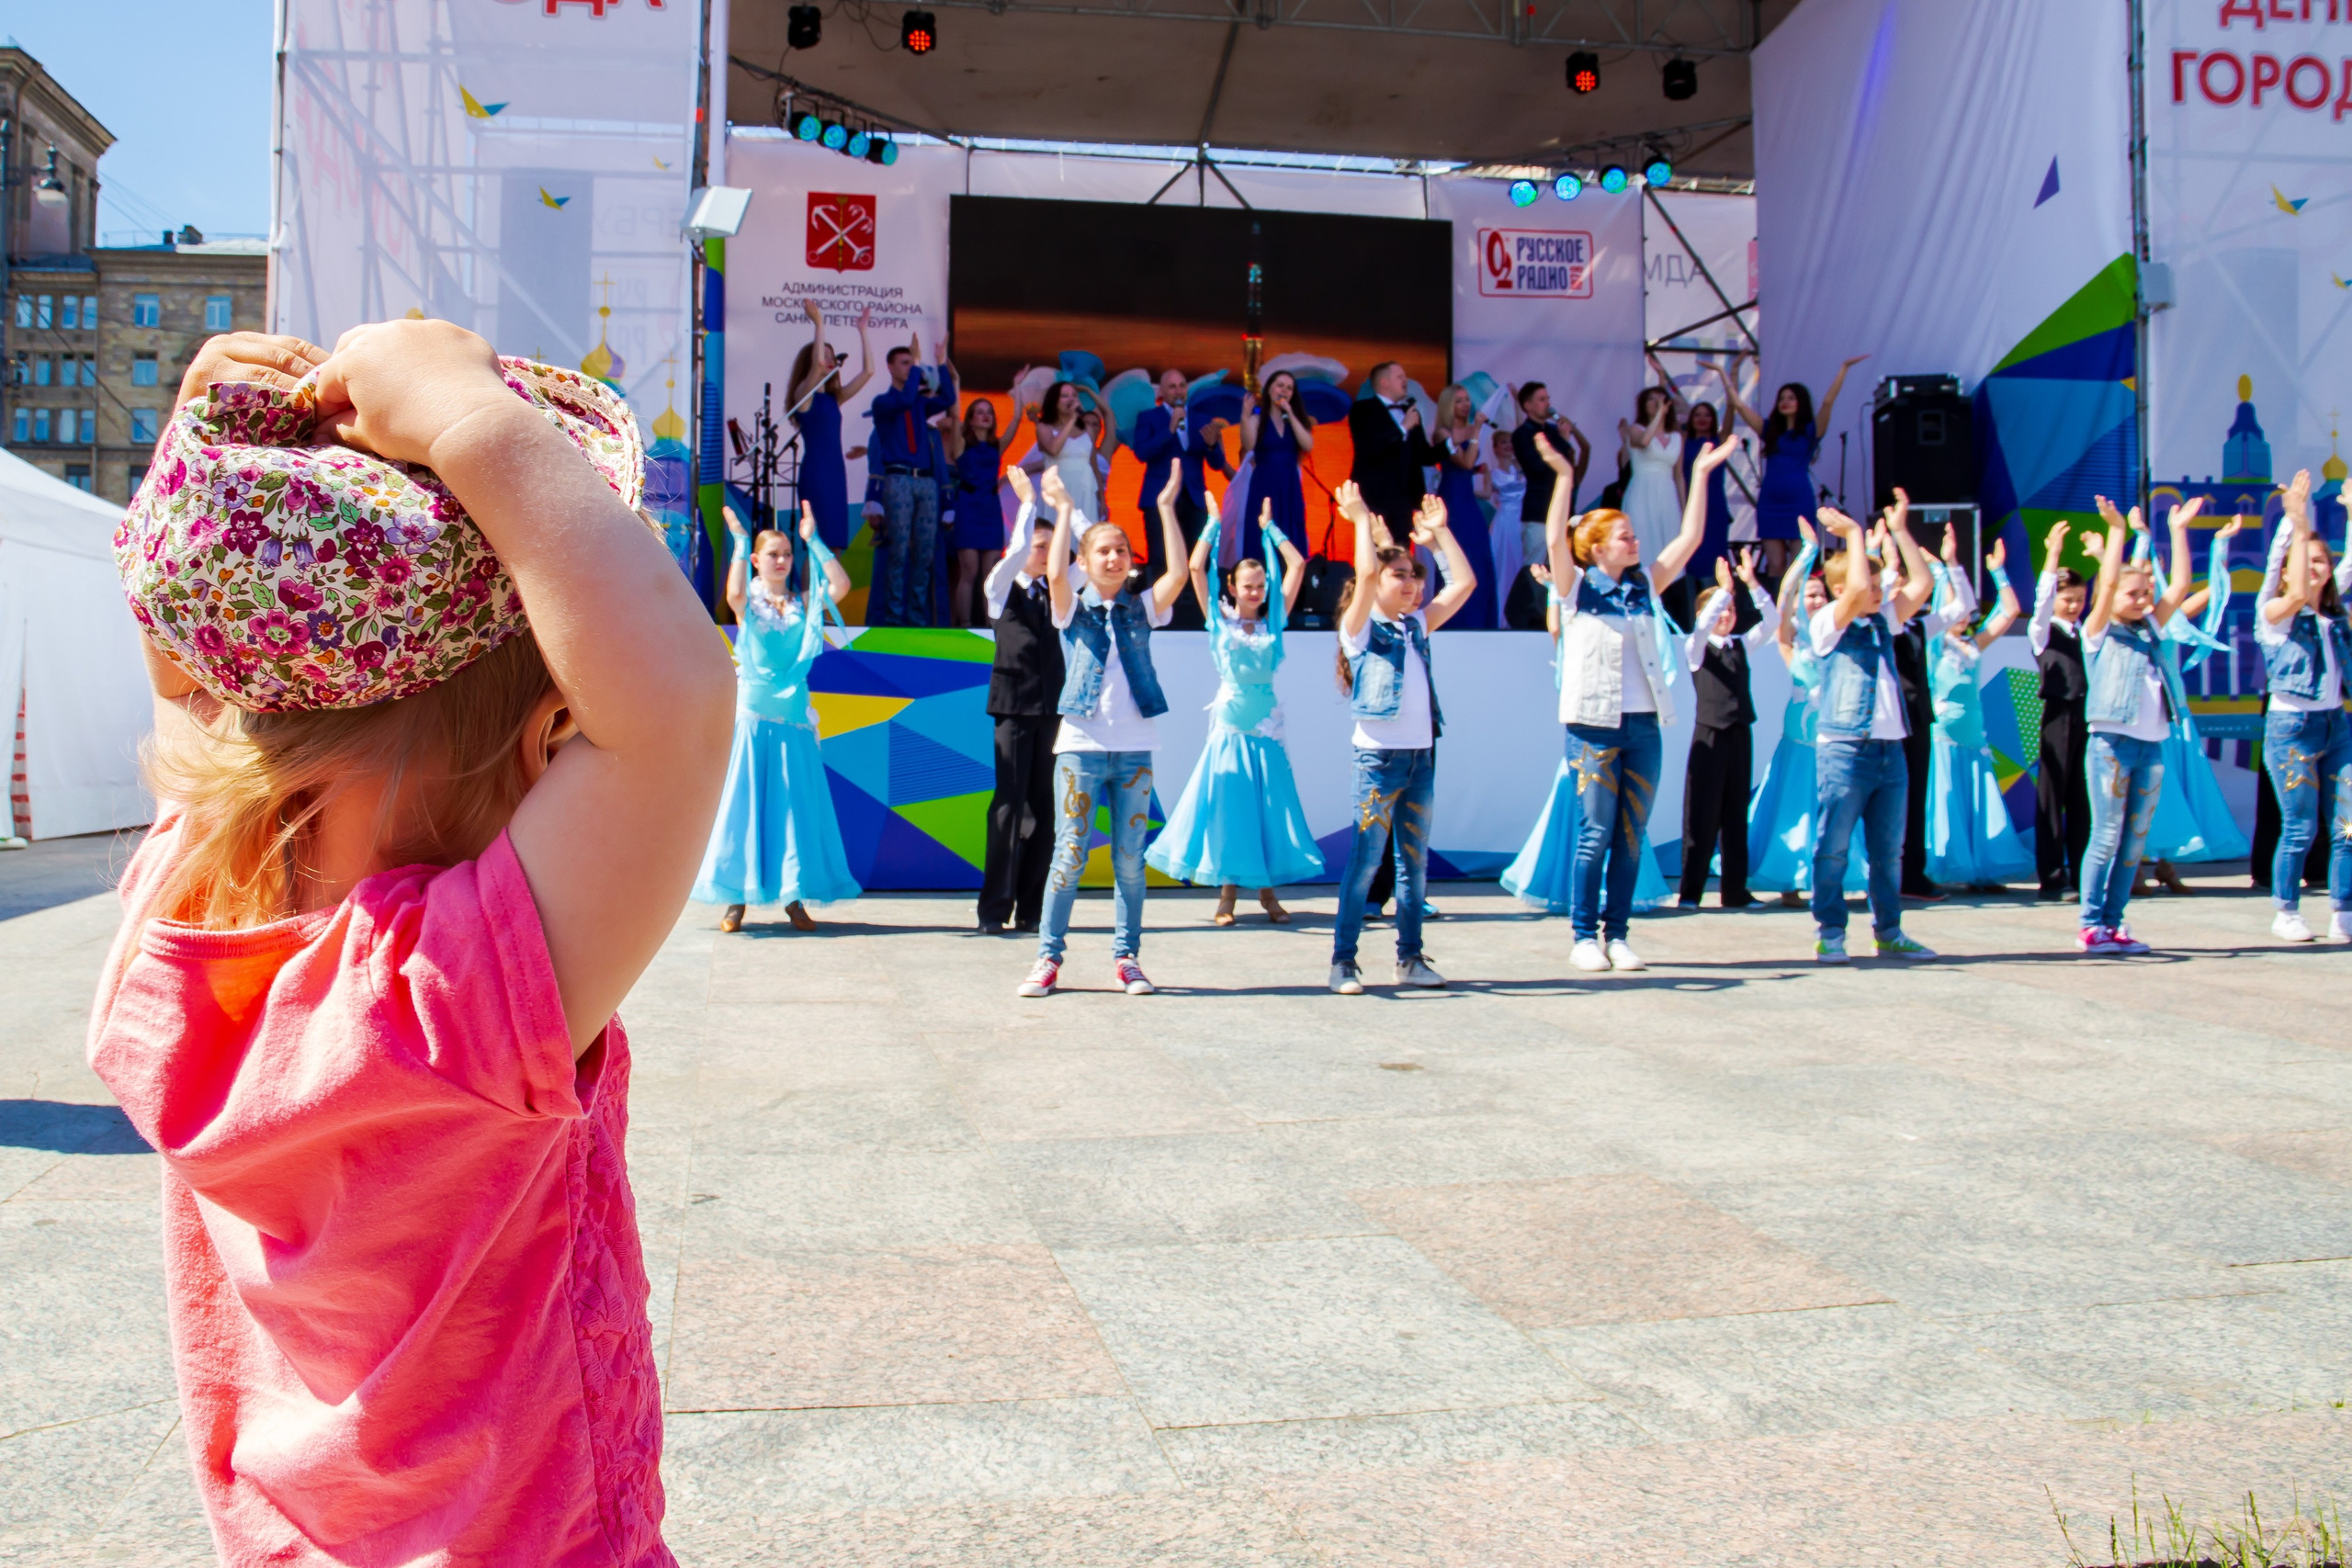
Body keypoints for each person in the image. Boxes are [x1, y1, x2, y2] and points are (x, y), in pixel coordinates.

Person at [94, 323, 736, 1561]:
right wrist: (468, 424)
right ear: (539, 729)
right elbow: (678, 705)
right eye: (559, 724)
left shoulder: (170, 935)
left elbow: (183, 680)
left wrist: (205, 446)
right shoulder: (450, 996)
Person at [1530, 428, 1736, 972]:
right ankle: (1582, 936)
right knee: (1594, 833)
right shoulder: (1576, 587)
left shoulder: (1644, 584)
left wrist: (1699, 475)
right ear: (1597, 548)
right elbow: (1555, 539)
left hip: (1645, 726)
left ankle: (1617, 935)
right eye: (1624, 535)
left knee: (1630, 835)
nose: (1634, 540)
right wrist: (1565, 477)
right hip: (1592, 726)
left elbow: (1689, 538)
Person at [1018, 468, 1189, 998]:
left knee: (1130, 861)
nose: (1114, 558)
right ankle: (1047, 958)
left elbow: (1180, 573)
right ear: (1086, 562)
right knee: (1068, 855)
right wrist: (1065, 509)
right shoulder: (1072, 607)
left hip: (1135, 749)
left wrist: (1165, 508)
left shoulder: (1144, 608)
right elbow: (1055, 572)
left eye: (1122, 551)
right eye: (1103, 552)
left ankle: (1127, 958)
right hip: (1080, 750)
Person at [1329, 481, 1476, 994]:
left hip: (1421, 757)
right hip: (1377, 759)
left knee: (1413, 865)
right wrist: (1358, 520)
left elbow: (1463, 583)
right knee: (1366, 862)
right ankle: (1344, 962)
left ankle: (1409, 959)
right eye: (1402, 576)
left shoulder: (1416, 626)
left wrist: (1438, 538)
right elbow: (1366, 571)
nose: (1413, 585)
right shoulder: (1361, 628)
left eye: (1415, 577)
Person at [1147, 498, 1322, 924]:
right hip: (1230, 727)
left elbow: (1297, 566)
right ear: (1232, 587)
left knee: (1266, 809)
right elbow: (1192, 569)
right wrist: (1212, 524)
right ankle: (1226, 897)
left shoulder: (1274, 622)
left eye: (1261, 585)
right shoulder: (1218, 623)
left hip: (1267, 728)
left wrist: (1270, 528)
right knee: (1231, 808)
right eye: (1248, 585)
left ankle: (1267, 895)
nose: (1255, 591)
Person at [1499, 563, 1674, 919]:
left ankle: (1615, 926)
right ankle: (1583, 927)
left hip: (1633, 725)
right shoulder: (1574, 603)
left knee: (1623, 831)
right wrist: (1554, 588)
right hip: (1589, 728)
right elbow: (1555, 629)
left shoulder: (1630, 600)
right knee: (1592, 829)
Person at [1806, 500, 1939, 963]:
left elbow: (1923, 583)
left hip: (1889, 750)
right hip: (1845, 749)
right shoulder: (1827, 623)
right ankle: (1831, 930)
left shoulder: (1884, 619)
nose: (1879, 592)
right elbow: (1860, 584)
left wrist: (1901, 532)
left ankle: (1889, 929)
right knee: (1834, 848)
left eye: (1882, 586)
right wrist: (1856, 537)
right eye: (1873, 586)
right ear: (1840, 590)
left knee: (1888, 851)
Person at [2073, 493, 2199, 953]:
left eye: (2147, 592)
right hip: (2111, 742)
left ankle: (2114, 922)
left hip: (2152, 745)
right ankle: (2090, 925)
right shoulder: (2100, 631)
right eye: (2136, 593)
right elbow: (2106, 588)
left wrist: (2178, 529)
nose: (2144, 599)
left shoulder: (2152, 629)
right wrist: (2116, 533)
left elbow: (2180, 584)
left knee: (2134, 843)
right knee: (2105, 837)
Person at [2129, 509, 2250, 891]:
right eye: (2145, 573)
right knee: (2147, 791)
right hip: (2144, 714)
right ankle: (2132, 869)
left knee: (2173, 790)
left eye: (2155, 572)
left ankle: (2165, 865)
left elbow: (2214, 589)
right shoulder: (2134, 619)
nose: (2151, 579)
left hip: (2175, 714)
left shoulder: (2170, 614)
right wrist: (2141, 537)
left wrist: (2220, 547)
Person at [2256, 468, 2352, 942]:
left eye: (2321, 561)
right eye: (2307, 561)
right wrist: (2294, 521)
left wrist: (2351, 514)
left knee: (2349, 825)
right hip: (2292, 728)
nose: (2316, 569)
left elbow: (2348, 565)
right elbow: (2289, 587)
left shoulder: (2334, 615)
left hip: (2337, 725)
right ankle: (2286, 909)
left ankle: (2343, 911)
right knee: (2299, 826)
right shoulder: (2274, 617)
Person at [1746, 522, 1863, 907]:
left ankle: (1834, 877)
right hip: (1798, 744)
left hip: (1834, 741)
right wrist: (1806, 555)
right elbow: (1785, 599)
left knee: (1834, 812)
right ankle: (1791, 879)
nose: (1813, 600)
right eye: (1809, 595)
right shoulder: (1791, 644)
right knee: (1794, 813)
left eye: (1819, 594)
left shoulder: (1838, 637)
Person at [978, 474, 1066, 935]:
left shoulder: (1062, 594)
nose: (1045, 553)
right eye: (1039, 545)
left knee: (1045, 810)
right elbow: (1013, 557)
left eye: (1053, 547)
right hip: (1012, 707)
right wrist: (1029, 505)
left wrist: (1064, 506)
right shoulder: (1001, 587)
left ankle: (1033, 910)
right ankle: (994, 910)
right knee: (1008, 807)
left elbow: (1089, 557)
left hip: (1052, 710)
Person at [1921, 532, 2032, 891]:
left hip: (1973, 737)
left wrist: (1998, 573)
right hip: (1945, 740)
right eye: (1952, 606)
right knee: (1948, 805)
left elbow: (2011, 611)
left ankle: (1982, 870)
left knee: (1978, 805)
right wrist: (1944, 571)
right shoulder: (1933, 645)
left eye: (1964, 607)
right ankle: (1943, 869)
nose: (1961, 612)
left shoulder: (1973, 644)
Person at [1679, 550, 1777, 908]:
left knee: (1736, 814)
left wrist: (1750, 583)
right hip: (1709, 734)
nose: (1726, 616)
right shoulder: (1696, 647)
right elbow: (1702, 626)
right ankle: (1690, 893)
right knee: (1701, 814)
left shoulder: (1741, 645)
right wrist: (1723, 590)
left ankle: (1735, 891)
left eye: (1731, 610)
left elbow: (1772, 620)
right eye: (1720, 610)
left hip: (1739, 734)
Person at [1714, 355, 1865, 579]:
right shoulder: (1769, 430)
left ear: (1800, 403)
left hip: (1799, 502)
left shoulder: (1811, 431)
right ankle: (1777, 611)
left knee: (1801, 564)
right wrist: (1727, 372)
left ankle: (1798, 609)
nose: (1785, 402)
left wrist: (1843, 368)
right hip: (1770, 504)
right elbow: (1738, 404)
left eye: (1791, 398)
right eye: (1782, 398)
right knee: (1775, 566)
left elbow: (1827, 403)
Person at [867, 334, 957, 626]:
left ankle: (918, 618)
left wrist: (941, 363)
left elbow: (948, 399)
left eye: (911, 363)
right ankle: (894, 617)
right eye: (904, 363)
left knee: (924, 552)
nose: (910, 368)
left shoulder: (919, 403)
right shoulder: (883, 402)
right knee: (899, 551)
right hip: (899, 479)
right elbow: (905, 399)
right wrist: (919, 363)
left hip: (926, 482)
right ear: (890, 367)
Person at [2029, 525, 2094, 901]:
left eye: (2080, 599)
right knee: (2052, 796)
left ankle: (2083, 874)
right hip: (2058, 715)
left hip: (2087, 714)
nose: (2074, 605)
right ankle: (2052, 877)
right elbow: (2041, 601)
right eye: (2068, 599)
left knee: (2082, 797)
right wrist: (2053, 556)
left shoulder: (2086, 631)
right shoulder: (2043, 631)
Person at [1129, 367, 1232, 598]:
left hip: (1194, 497)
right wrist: (1169, 429)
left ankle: (1198, 610)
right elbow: (1142, 453)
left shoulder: (1202, 419)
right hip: (1159, 498)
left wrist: (1213, 445)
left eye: (1182, 385)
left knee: (1199, 555)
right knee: (1160, 556)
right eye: (1172, 386)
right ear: (1162, 392)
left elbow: (1217, 463)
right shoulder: (1149, 417)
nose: (1178, 391)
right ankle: (1161, 611)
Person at [788, 300, 874, 553]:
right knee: (817, 546)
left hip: (836, 473)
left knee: (834, 547)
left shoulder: (833, 398)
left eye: (830, 355)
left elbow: (868, 371)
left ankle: (825, 595)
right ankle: (808, 593)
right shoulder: (803, 394)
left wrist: (863, 331)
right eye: (822, 354)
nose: (827, 360)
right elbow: (815, 366)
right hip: (817, 472)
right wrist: (819, 324)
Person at [1432, 383, 1498, 628]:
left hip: (1468, 498)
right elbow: (1464, 461)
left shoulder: (1470, 429)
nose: (1466, 405)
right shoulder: (1442, 432)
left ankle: (1480, 619)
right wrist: (1477, 429)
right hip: (1452, 498)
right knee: (1456, 551)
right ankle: (1453, 619)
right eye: (1459, 400)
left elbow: (1471, 465)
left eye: (1467, 399)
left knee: (1478, 552)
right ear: (1450, 405)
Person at [1349, 360, 1436, 537]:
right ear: (1384, 382)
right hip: (1373, 497)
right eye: (1400, 377)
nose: (1405, 380)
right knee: (1374, 553)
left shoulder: (1410, 412)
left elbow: (1424, 455)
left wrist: (1452, 444)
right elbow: (1369, 447)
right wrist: (1403, 428)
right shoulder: (1362, 409)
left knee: (1402, 551)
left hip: (1403, 500)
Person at [1510, 381, 1589, 572]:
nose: (1547, 403)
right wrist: (1563, 442)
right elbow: (1537, 467)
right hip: (1539, 512)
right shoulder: (1522, 434)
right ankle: (1531, 602)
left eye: (1548, 399)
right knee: (1536, 566)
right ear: (1528, 405)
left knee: (1564, 565)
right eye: (1542, 399)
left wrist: (1564, 437)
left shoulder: (1554, 431)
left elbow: (1570, 464)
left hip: (1563, 509)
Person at [1023, 378, 1112, 535]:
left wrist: (1102, 500)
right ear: (1054, 401)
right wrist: (1071, 419)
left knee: (1083, 536)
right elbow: (1053, 449)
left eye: (1074, 395)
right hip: (1058, 490)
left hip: (1084, 491)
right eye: (1065, 396)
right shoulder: (1044, 428)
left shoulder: (1087, 431)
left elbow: (1094, 467)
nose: (1071, 399)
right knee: (1057, 534)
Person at [1241, 368, 1314, 558]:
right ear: (1269, 390)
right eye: (1280, 385)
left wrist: (1290, 412)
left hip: (1289, 484)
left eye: (1289, 388)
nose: (1284, 391)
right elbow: (1248, 445)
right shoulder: (1258, 419)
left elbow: (1308, 444)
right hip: (1264, 483)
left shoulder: (1294, 420)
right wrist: (1244, 416)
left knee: (1290, 530)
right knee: (1263, 529)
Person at [1618, 386, 1687, 573]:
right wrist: (1658, 416)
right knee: (1643, 542)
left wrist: (1685, 508)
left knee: (1669, 546)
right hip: (1642, 492)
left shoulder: (1677, 437)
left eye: (1661, 400)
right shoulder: (1635, 430)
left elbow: (1679, 476)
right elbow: (1644, 442)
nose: (1657, 403)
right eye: (1651, 399)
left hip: (1667, 495)